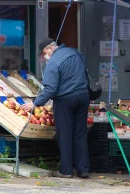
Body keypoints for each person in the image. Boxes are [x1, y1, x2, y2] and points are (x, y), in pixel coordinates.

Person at [21, 37, 90, 179]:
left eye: (44, 53)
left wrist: (35, 104)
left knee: (64, 134)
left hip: (65, 100)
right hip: (83, 97)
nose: (44, 56)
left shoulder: (53, 61)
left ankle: (66, 170)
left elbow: (50, 89)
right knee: (80, 133)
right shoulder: (76, 53)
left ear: (50, 48)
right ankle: (83, 169)